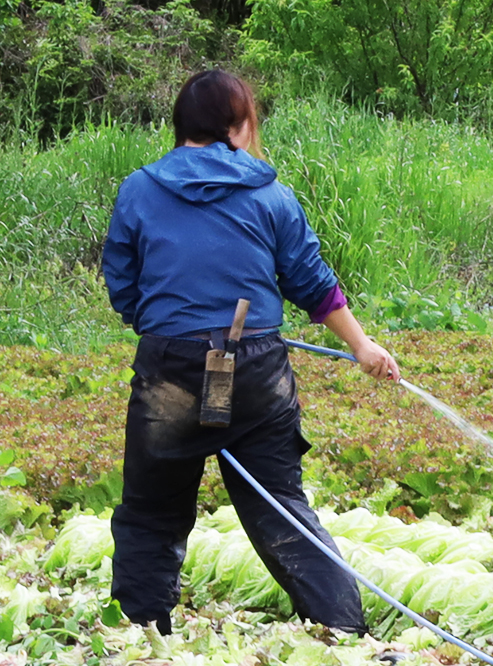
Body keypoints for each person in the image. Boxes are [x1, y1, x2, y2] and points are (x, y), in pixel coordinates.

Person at [101, 69, 400, 635]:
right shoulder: (270, 194)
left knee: (151, 516)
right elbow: (312, 282)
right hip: (256, 367)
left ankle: (139, 636)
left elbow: (122, 279)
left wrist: (158, 323)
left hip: (171, 367)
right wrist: (361, 346)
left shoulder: (140, 189)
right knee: (283, 511)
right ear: (237, 126)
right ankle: (343, 634)